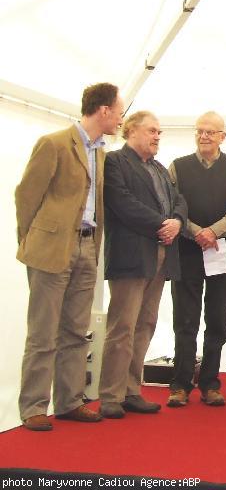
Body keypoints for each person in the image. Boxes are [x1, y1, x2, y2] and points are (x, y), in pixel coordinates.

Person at [16, 82, 124, 431]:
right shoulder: (54, 144)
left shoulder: (101, 153)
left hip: (88, 246)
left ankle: (69, 401)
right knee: (43, 333)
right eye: (119, 111)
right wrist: (32, 241)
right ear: (104, 111)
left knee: (76, 331)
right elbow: (26, 197)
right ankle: (33, 405)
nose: (121, 118)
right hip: (52, 247)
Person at [99, 111, 187, 419]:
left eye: (160, 132)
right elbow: (121, 202)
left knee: (145, 324)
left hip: (160, 256)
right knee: (122, 326)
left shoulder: (161, 169)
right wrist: (161, 223)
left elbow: (179, 201)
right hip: (131, 255)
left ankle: (131, 391)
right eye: (152, 130)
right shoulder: (115, 162)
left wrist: (177, 220)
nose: (157, 136)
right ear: (131, 130)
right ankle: (110, 394)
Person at [167, 112, 226, 407]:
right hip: (187, 252)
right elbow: (171, 204)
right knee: (185, 320)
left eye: (211, 132)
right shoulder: (177, 167)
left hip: (223, 252)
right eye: (200, 131)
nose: (204, 136)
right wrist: (196, 232)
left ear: (222, 136)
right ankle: (179, 385)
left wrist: (214, 232)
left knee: (217, 320)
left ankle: (210, 384)